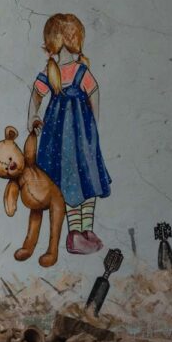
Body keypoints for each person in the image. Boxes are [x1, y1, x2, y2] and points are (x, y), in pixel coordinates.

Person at [27, 13, 111, 254]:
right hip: (62, 140)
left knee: (87, 179)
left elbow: (94, 92)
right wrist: (32, 116)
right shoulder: (51, 71)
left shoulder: (80, 71)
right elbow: (36, 95)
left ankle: (86, 230)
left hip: (81, 139)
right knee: (71, 181)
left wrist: (92, 126)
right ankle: (75, 233)